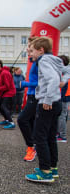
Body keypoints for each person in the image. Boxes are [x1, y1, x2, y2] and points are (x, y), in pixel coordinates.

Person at [25, 37, 63, 183]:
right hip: (56, 102)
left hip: (47, 103)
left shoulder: (44, 61)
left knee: (39, 137)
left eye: (32, 50)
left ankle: (45, 172)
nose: (31, 54)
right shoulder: (54, 60)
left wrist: (47, 99)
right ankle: (52, 168)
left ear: (41, 50)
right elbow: (60, 77)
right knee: (50, 137)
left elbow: (53, 80)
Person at [18, 36, 39, 162]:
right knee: (30, 121)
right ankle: (33, 145)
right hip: (31, 95)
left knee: (22, 119)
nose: (28, 50)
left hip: (36, 96)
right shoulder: (34, 62)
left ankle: (31, 147)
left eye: (30, 47)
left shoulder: (39, 63)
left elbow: (41, 82)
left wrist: (25, 84)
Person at [0, 60, 16, 129]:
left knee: (3, 106)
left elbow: (7, 86)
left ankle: (11, 122)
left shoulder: (4, 73)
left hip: (9, 92)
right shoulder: (1, 73)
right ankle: (6, 120)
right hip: (4, 93)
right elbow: (2, 84)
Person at [57, 55, 70, 142]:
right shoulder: (65, 70)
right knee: (62, 115)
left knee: (62, 115)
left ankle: (62, 136)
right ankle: (60, 134)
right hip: (64, 95)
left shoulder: (65, 70)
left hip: (64, 95)